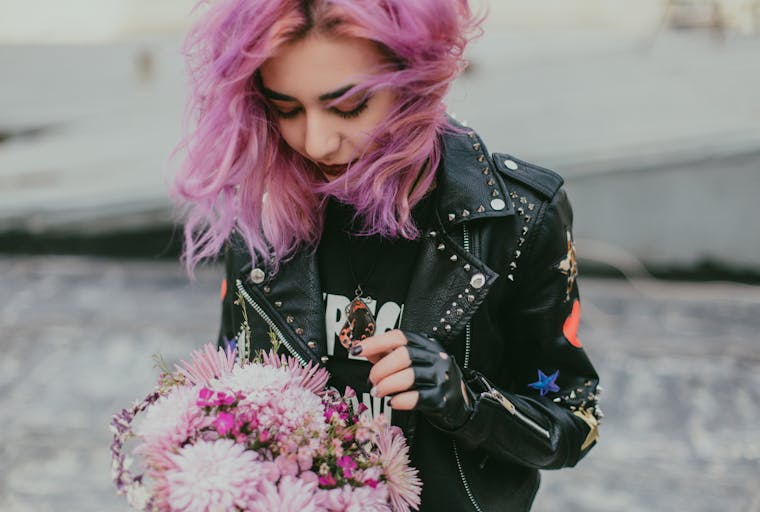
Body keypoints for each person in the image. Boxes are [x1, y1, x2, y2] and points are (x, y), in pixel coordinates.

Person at [172, 0, 602, 510]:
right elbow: (228, 390)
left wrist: (467, 402)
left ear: (413, 79)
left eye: (349, 105)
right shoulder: (262, 208)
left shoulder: (518, 218)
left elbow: (574, 421)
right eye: (286, 108)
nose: (316, 140)